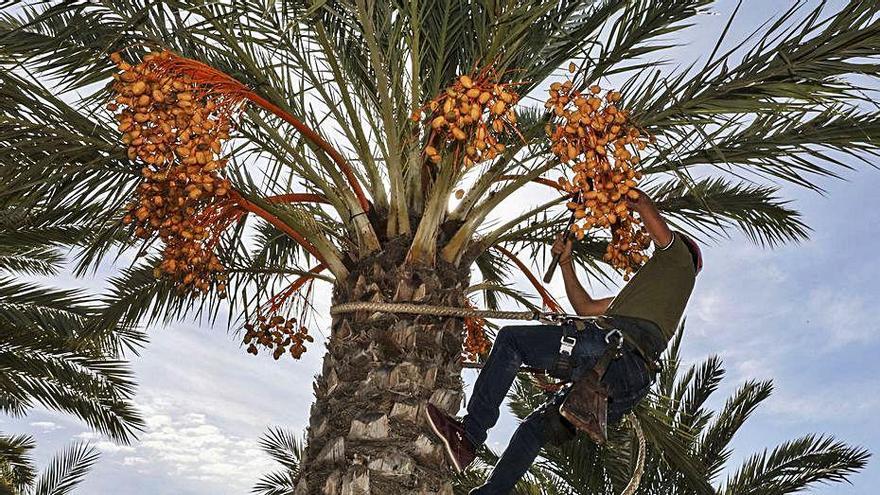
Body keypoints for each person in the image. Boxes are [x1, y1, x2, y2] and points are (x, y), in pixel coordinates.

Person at [426, 190, 703, 493]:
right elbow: (585, 308)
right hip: (625, 379)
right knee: (535, 429)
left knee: (511, 341)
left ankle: (470, 435)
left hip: (613, 351)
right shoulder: (644, 302)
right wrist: (566, 263)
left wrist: (607, 189)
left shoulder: (680, 259)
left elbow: (641, 202)